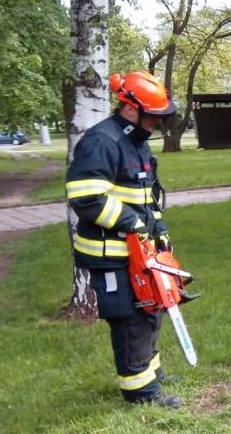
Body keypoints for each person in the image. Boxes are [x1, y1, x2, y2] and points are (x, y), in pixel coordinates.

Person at [65, 71, 182, 408]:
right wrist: (132, 224)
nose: (157, 123)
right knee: (130, 318)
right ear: (131, 108)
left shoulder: (137, 142)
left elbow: (146, 197)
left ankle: (151, 373)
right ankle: (140, 393)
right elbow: (86, 197)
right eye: (154, 116)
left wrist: (159, 231)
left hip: (140, 251)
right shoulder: (102, 142)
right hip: (110, 253)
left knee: (151, 310)